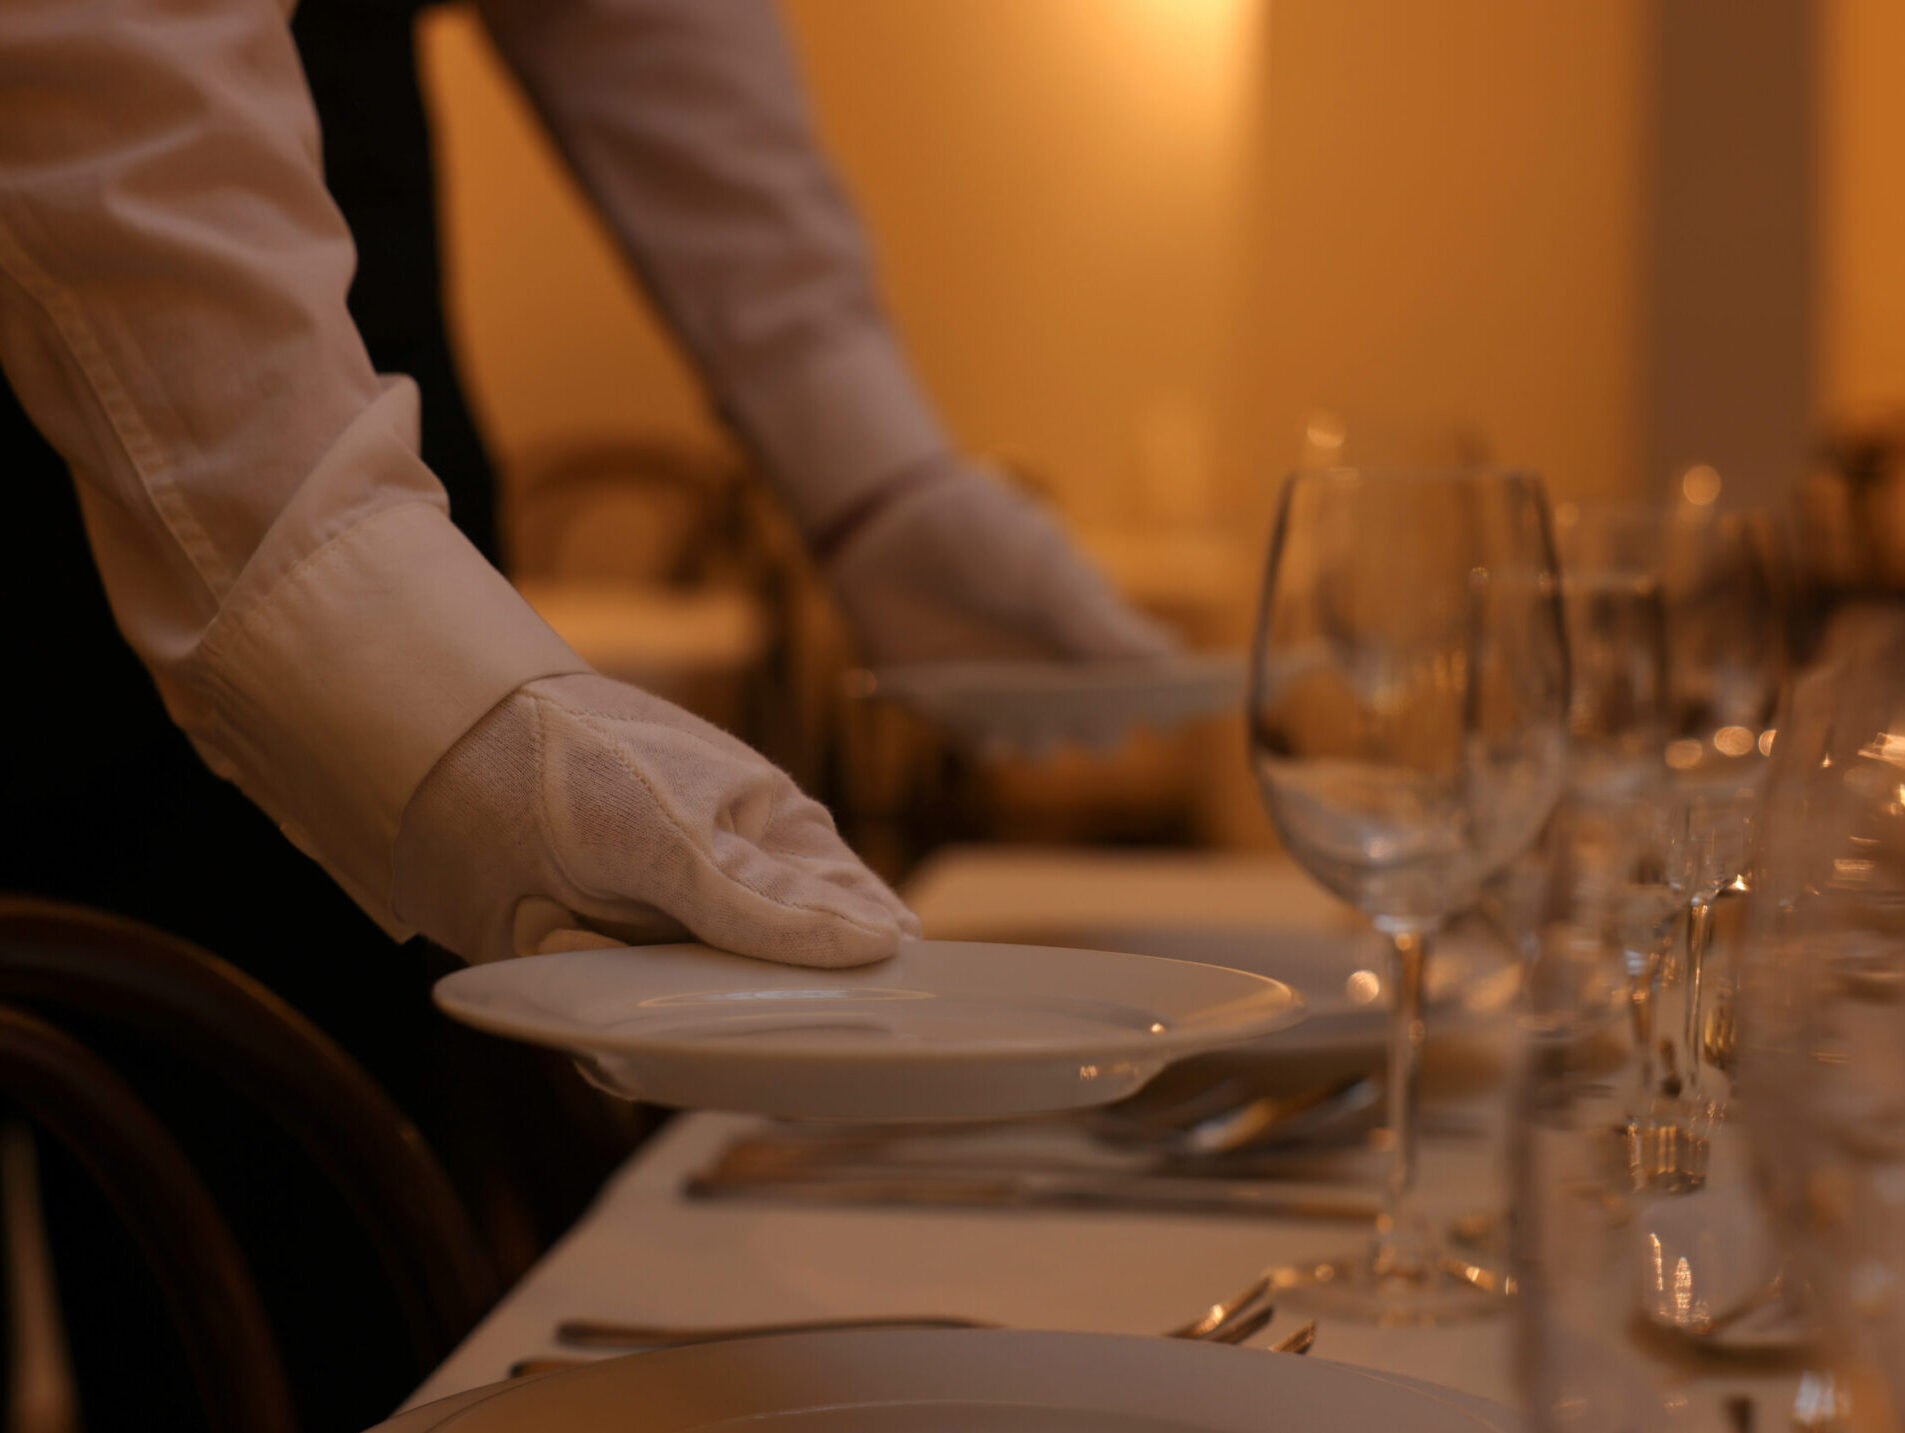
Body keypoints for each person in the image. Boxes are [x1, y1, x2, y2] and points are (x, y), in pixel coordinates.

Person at [0, 3, 1171, 1422]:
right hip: (194, 290)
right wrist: (370, 630)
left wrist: (870, 471)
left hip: (322, 281)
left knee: (288, 1300)